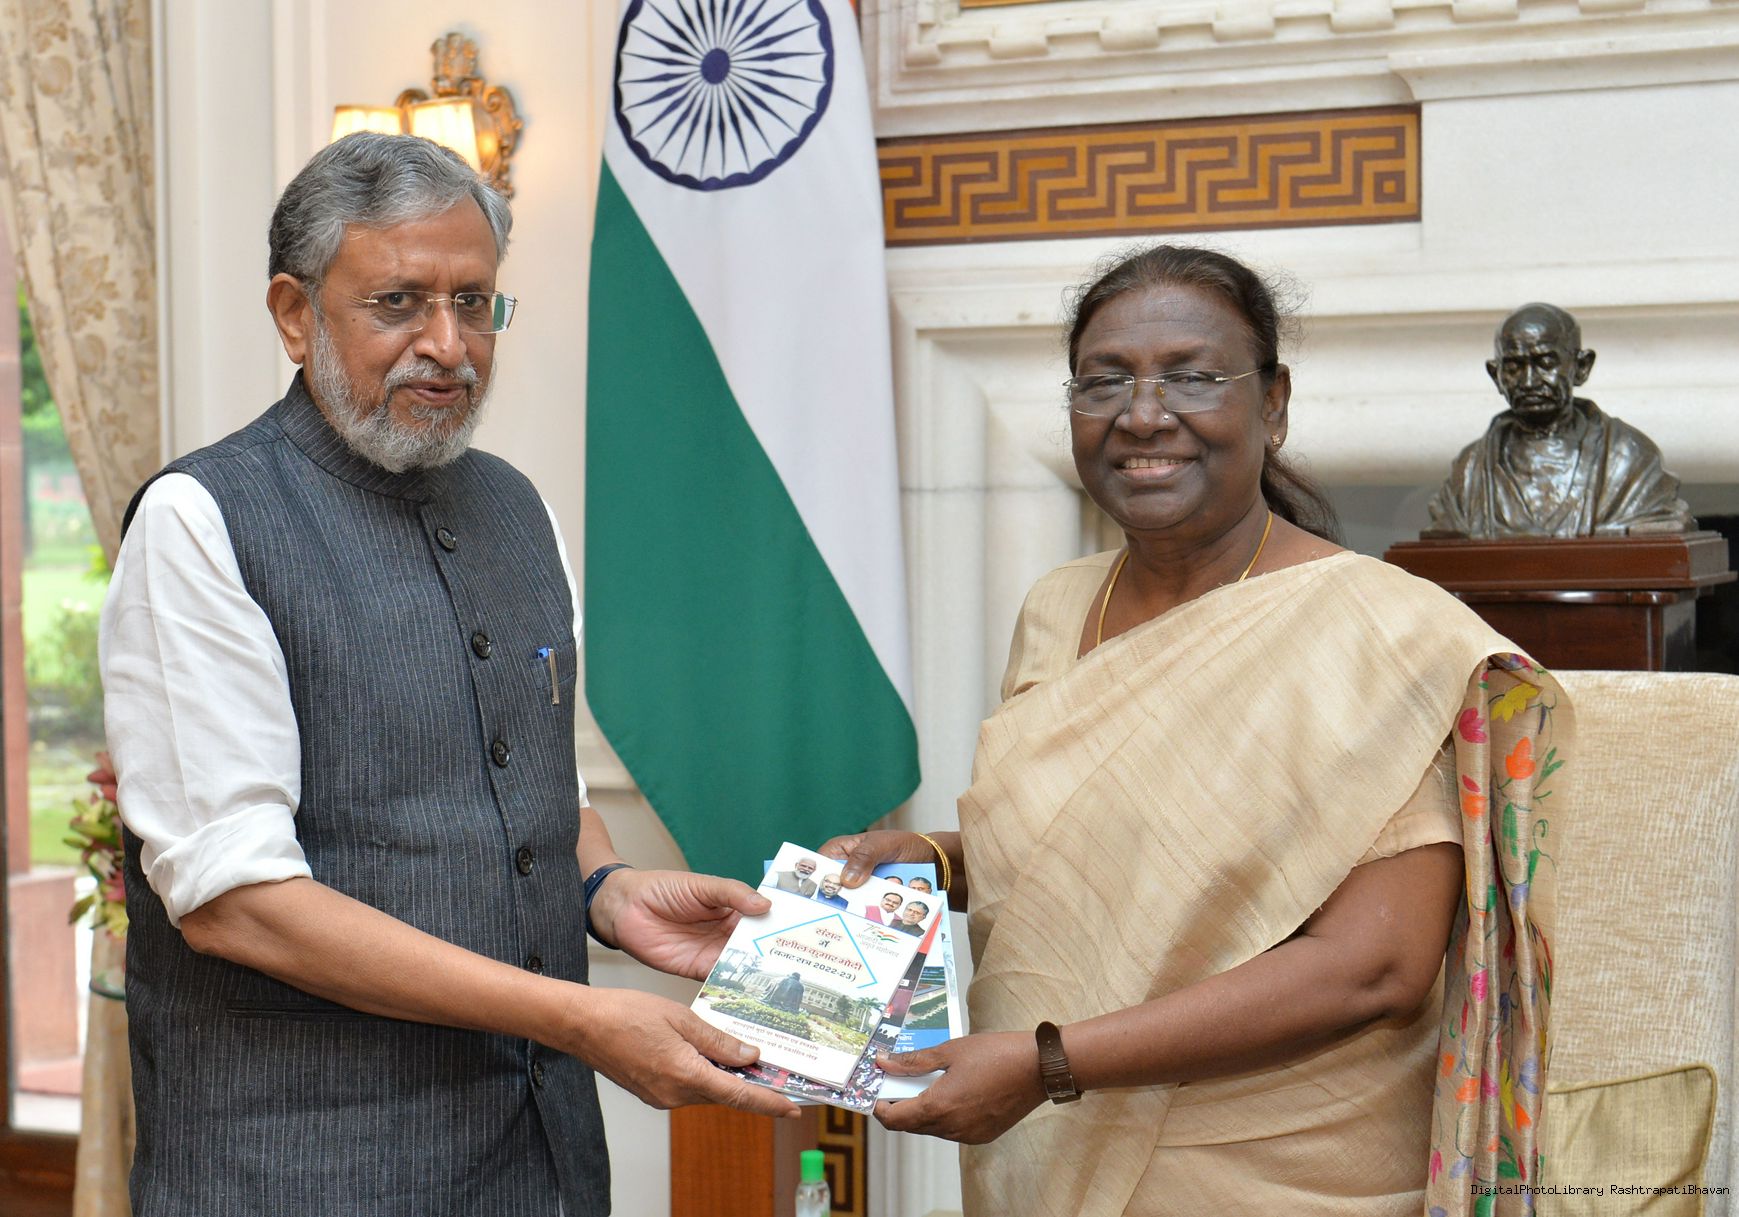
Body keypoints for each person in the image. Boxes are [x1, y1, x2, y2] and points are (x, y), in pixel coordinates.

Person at [99, 133, 794, 1217]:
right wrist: (580, 1017)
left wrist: (608, 892)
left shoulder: (518, 507)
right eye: (399, 303)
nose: (447, 344)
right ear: (294, 314)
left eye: (474, 303)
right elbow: (237, 904)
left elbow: (539, 792)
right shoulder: (201, 520)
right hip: (300, 1176)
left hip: (539, 1164)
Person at [824, 246, 1570, 1216]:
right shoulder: (1057, 607)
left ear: (1272, 404)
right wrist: (930, 858)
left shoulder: (1381, 631)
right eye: (1103, 381)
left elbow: (1372, 968)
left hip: (1283, 1171)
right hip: (1045, 1152)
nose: (1141, 415)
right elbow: (1097, 856)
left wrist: (1048, 1063)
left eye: (1191, 377)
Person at [1425, 303, 1691, 538]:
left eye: (1545, 363)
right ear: (1496, 375)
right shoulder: (1469, 471)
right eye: (1514, 367)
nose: (1529, 381)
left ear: (1581, 367)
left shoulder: (1629, 458)